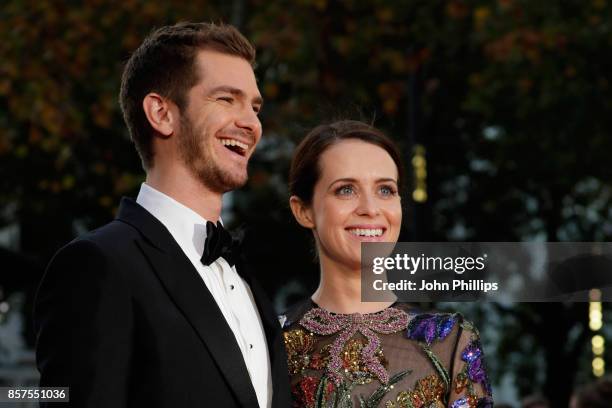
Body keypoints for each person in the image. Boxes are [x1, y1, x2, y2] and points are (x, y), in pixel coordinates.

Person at [34, 22, 290, 407]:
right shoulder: (96, 265)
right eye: (226, 99)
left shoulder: (246, 275)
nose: (251, 123)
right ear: (161, 113)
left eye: (254, 107)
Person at [282, 120, 493, 407]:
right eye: (346, 189)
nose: (370, 209)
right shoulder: (269, 342)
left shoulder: (449, 340)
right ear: (303, 210)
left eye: (385, 190)